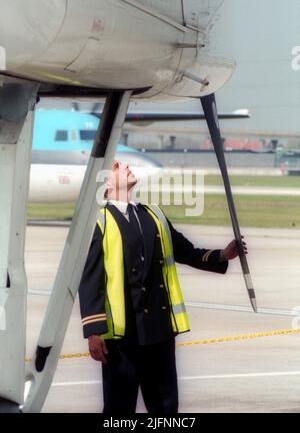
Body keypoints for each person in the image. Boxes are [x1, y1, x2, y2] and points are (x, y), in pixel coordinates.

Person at [78, 160, 247, 414]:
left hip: (160, 332)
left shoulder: (154, 215)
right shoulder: (98, 222)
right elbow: (90, 278)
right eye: (115, 166)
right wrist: (94, 331)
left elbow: (186, 251)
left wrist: (222, 255)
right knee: (118, 409)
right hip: (122, 338)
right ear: (106, 185)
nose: (124, 165)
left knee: (166, 409)